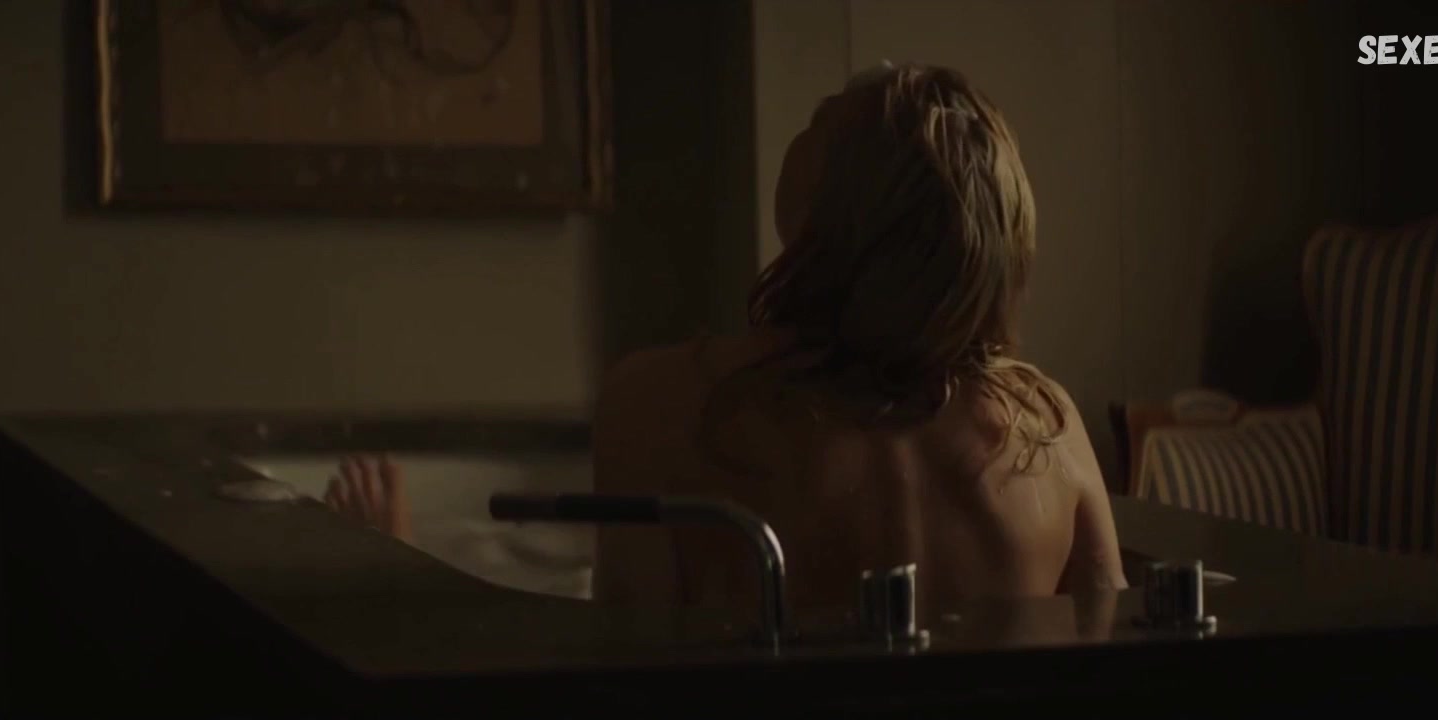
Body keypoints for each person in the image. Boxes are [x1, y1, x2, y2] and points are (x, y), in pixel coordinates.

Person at [330, 63, 1126, 622]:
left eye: (818, 121)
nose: (803, 126)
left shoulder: (662, 400)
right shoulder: (1049, 429)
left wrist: (395, 572)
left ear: (837, 208)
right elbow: (1122, 662)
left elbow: (624, 668)